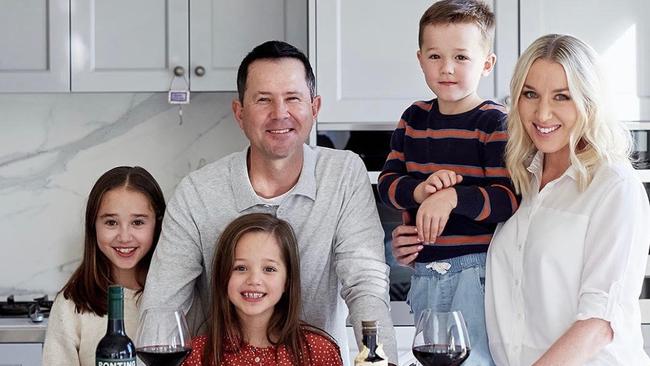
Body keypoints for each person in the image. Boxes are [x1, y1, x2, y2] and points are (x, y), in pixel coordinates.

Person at [141, 40, 398, 365]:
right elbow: (163, 306)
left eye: (293, 98)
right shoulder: (198, 192)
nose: (280, 114)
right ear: (240, 112)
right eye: (263, 100)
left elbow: (366, 285)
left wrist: (381, 360)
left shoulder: (343, 175)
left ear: (314, 108)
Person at [485, 34, 650, 365]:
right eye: (530, 94)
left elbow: (599, 323)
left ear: (589, 102)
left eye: (562, 96)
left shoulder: (614, 187)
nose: (543, 113)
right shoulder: (520, 180)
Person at [378, 1, 518, 365]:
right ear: (420, 59)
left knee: (474, 361)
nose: (447, 68)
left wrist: (452, 198)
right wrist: (422, 191)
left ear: (487, 64)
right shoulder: (413, 119)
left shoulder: (493, 123)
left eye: (461, 57)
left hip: (476, 273)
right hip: (424, 272)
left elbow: (507, 199)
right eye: (436, 56)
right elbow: (388, 183)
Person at [42, 166, 166, 366]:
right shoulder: (70, 305)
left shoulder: (178, 299)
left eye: (137, 222)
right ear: (93, 226)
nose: (124, 237)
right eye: (111, 222)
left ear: (157, 225)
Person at [182, 213, 343, 365]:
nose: (254, 280)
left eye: (269, 269)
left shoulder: (319, 352)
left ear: (287, 280)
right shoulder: (197, 355)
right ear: (222, 275)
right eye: (240, 267)